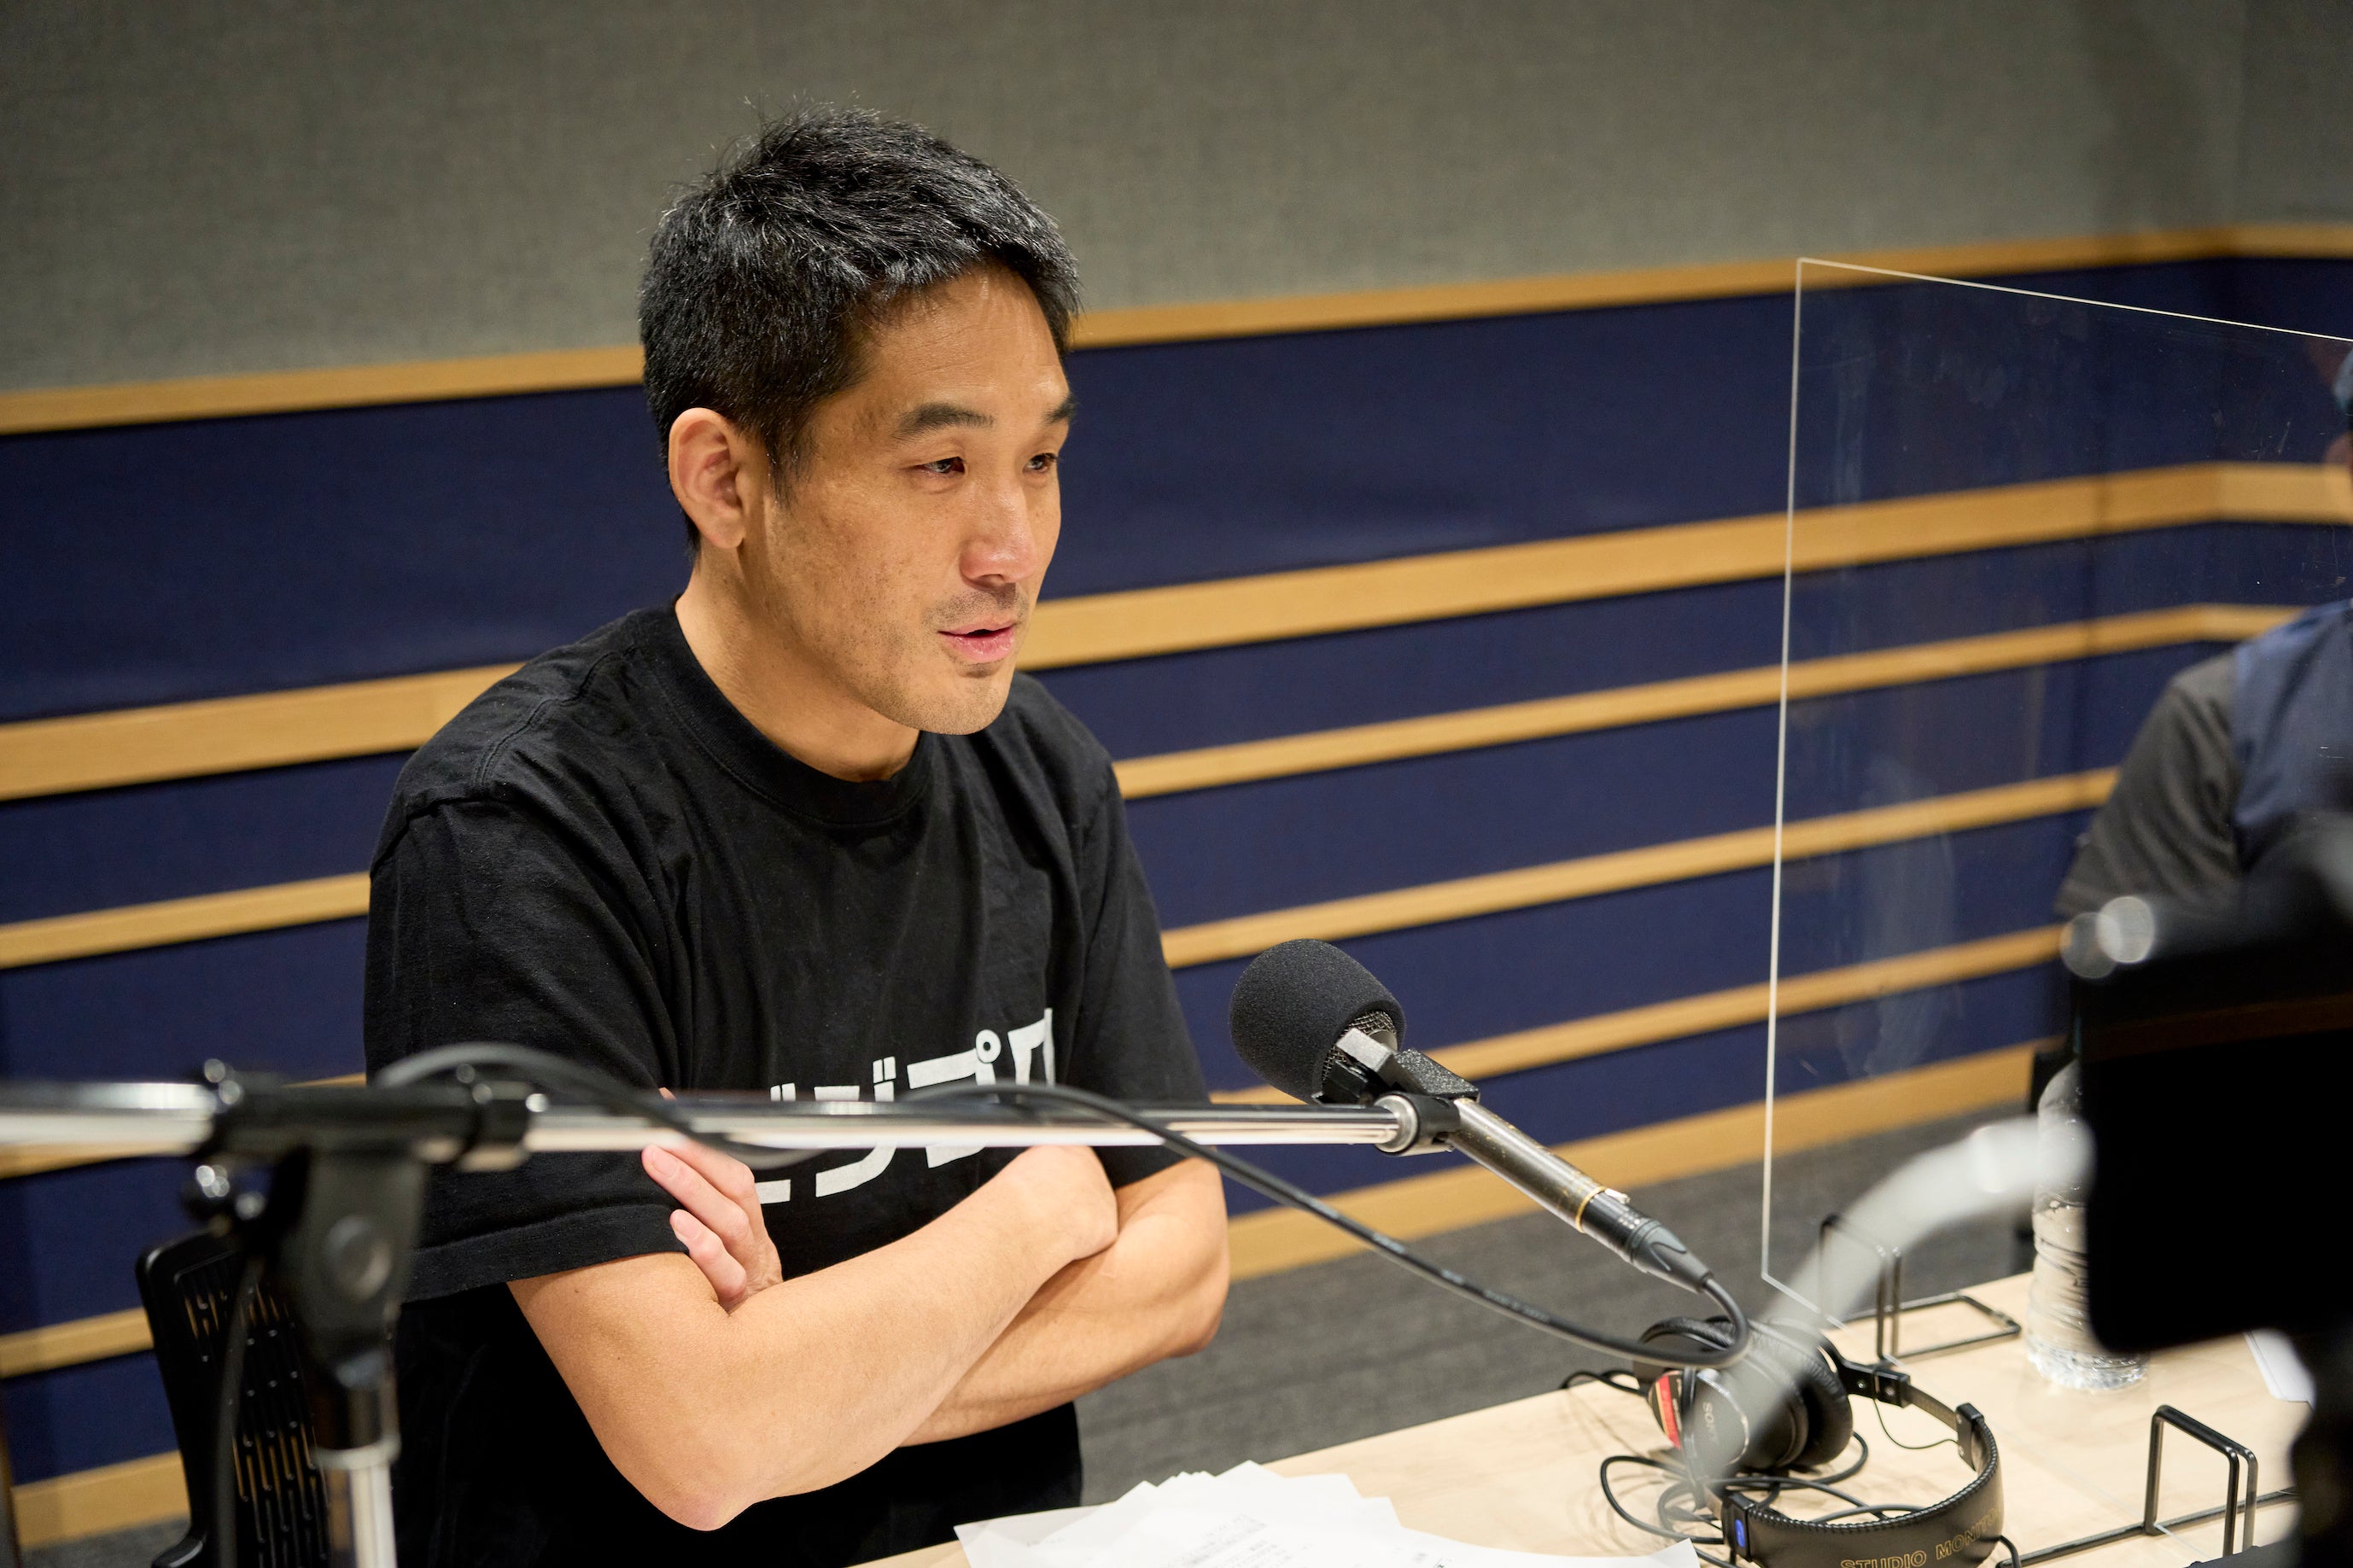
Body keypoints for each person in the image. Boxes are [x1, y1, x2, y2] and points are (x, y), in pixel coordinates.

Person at [363, 108, 1229, 1566]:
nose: (1011, 548)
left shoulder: (1043, 772)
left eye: (1041, 459)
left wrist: (797, 1377)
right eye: (940, 466)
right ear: (725, 480)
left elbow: (1186, 1263)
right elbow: (702, 1446)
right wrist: (1042, 1201)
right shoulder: (519, 834)